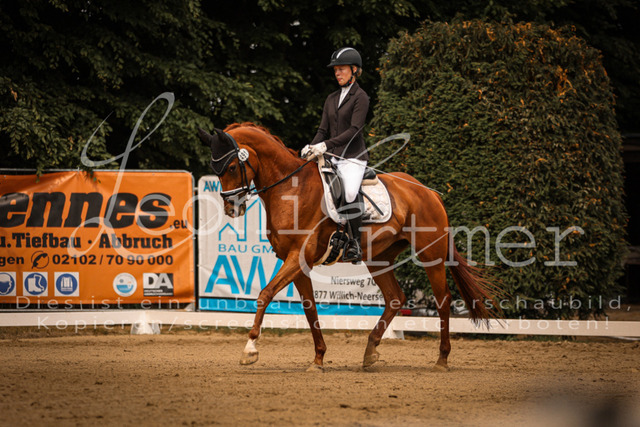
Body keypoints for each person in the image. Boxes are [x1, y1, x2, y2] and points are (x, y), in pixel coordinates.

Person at [302, 47, 370, 263]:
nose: (337, 73)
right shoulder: (331, 98)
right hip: (331, 156)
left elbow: (354, 130)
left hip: (353, 157)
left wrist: (325, 145)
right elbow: (323, 130)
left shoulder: (361, 97)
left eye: (341, 69)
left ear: (354, 70)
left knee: (349, 192)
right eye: (335, 70)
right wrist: (311, 147)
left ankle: (355, 244)